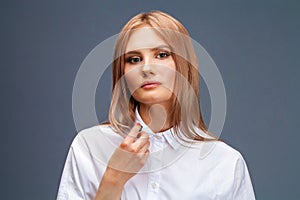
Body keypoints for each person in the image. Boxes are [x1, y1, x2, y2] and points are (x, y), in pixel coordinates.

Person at [57, 10, 256, 200]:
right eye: (134, 59)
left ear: (184, 65)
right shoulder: (89, 147)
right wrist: (114, 178)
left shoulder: (225, 163)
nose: (146, 68)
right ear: (123, 74)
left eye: (161, 55)